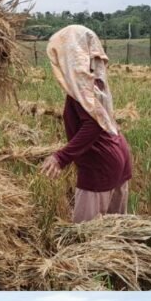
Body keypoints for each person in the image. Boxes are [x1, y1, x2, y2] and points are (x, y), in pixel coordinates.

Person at [40, 25, 133, 223]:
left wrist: (60, 157)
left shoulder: (83, 88)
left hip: (100, 164)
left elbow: (93, 125)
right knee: (115, 231)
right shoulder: (95, 79)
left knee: (86, 236)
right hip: (117, 153)